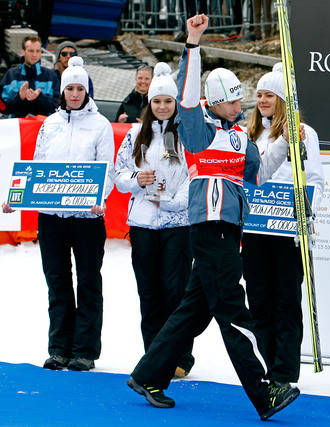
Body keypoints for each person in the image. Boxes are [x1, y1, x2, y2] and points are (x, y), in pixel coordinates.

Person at [125, 14, 300, 421]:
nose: (242, 107)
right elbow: (187, 96)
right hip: (208, 226)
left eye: (243, 100)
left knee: (195, 307)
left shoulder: (241, 137)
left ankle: (148, 374)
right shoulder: (198, 130)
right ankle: (264, 391)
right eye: (235, 101)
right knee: (234, 311)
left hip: (229, 229)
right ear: (215, 102)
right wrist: (193, 43)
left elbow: (258, 174)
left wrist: (285, 142)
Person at [2, 56, 115, 371]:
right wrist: (18, 196)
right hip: (51, 218)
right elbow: (38, 167)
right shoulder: (50, 123)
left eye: (80, 88)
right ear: (63, 91)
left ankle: (84, 350)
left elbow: (107, 170)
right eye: (70, 88)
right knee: (58, 282)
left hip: (86, 219)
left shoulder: (100, 125)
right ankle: (59, 348)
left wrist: (100, 198)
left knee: (89, 282)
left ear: (87, 91)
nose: (75, 94)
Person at [242, 62, 324, 388]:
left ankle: (284, 372)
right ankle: (264, 365)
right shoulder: (247, 134)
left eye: (270, 95)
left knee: (286, 301)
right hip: (255, 233)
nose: (263, 100)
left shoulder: (303, 132)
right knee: (259, 300)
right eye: (260, 94)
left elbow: (314, 180)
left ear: (283, 100)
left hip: (287, 232)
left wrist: (306, 217)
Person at [115, 62, 195, 379]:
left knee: (175, 293)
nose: (162, 106)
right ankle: (153, 354)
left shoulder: (187, 135)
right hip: (143, 225)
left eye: (168, 101)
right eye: (157, 101)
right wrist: (138, 178)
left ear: (176, 104)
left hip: (178, 225)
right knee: (148, 293)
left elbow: (195, 176)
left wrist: (173, 203)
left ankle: (180, 356)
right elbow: (119, 176)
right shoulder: (135, 134)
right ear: (149, 103)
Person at [0, 35, 60, 118]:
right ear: (23, 52)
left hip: (43, 127)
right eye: (31, 51)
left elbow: (58, 107)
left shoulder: (50, 76)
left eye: (38, 51)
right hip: (18, 128)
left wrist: (40, 97)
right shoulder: (11, 75)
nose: (34, 55)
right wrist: (19, 97)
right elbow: (3, 108)